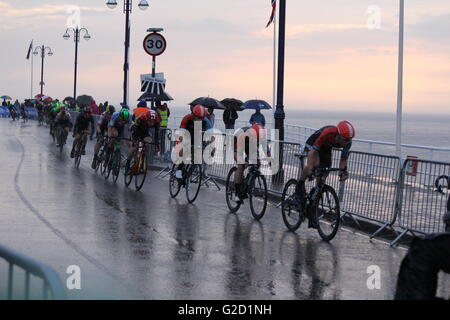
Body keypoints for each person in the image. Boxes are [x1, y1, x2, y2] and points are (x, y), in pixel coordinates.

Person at [295, 121, 355, 228]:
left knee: (325, 172)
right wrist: (311, 167)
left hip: (326, 147)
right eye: (345, 140)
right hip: (314, 143)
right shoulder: (329, 133)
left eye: (349, 140)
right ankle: (300, 184)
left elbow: (343, 160)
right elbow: (313, 152)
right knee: (314, 166)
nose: (347, 142)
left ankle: (315, 198)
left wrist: (343, 172)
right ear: (339, 135)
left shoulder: (348, 142)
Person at [233, 123, 270, 204]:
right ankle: (237, 193)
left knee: (257, 163)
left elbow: (266, 150)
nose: (258, 141)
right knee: (241, 165)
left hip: (250, 145)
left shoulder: (261, 136)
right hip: (237, 142)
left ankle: (247, 183)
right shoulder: (243, 135)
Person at [175, 105, 212, 179]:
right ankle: (178, 170)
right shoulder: (187, 118)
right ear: (193, 115)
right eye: (198, 118)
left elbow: (210, 134)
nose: (199, 120)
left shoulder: (206, 121)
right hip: (185, 135)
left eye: (201, 118)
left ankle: (188, 176)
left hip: (196, 138)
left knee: (197, 159)